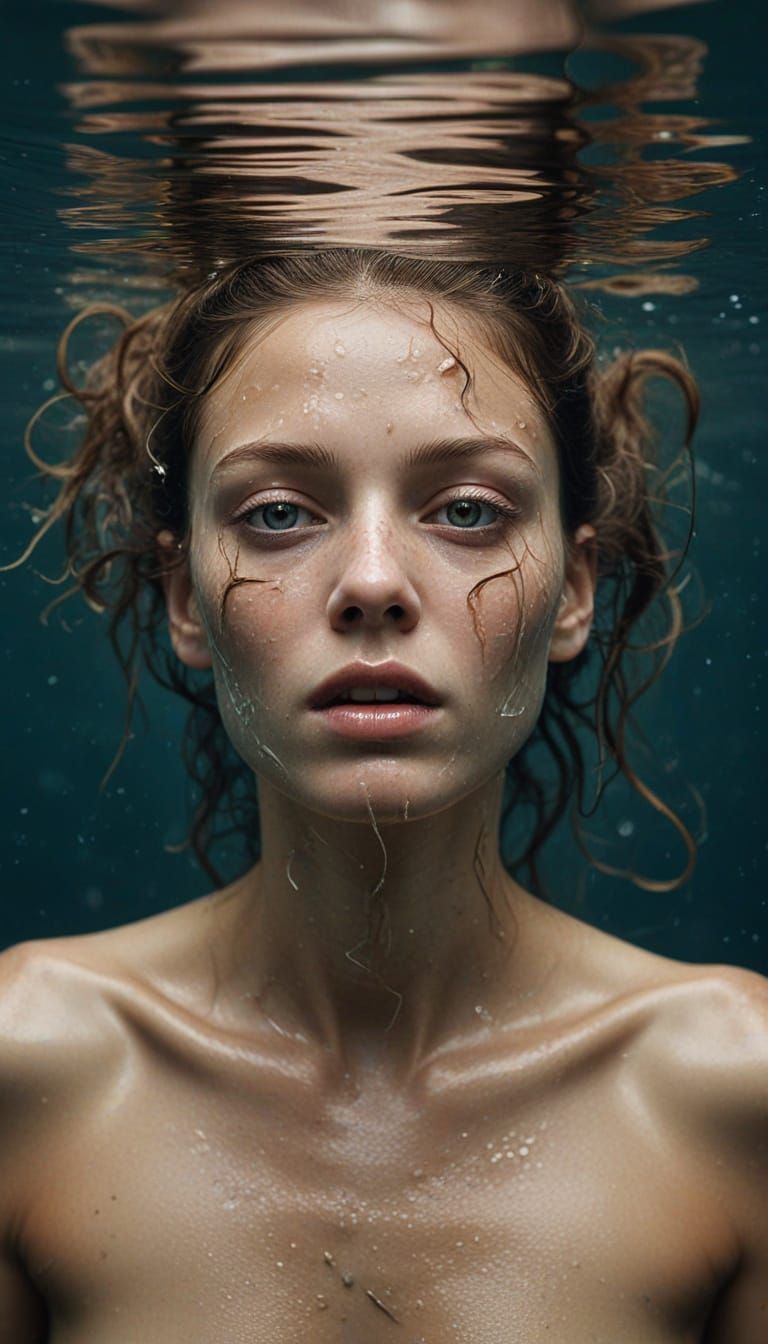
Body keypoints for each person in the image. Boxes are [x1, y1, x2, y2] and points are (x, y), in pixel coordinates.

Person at [1, 250, 765, 1342]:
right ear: (182, 597)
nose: (370, 581)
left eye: (465, 509)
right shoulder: (30, 1062)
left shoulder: (734, 1089)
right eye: (276, 513)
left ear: (573, 592)